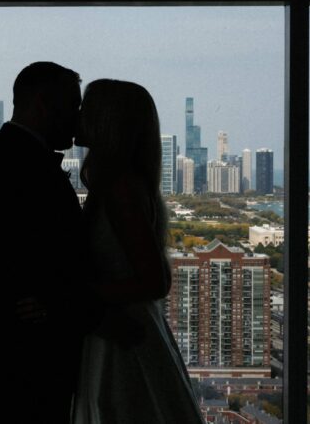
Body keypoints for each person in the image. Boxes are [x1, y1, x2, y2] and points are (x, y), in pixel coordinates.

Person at [0, 62, 95, 423]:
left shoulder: (11, 155)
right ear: (42, 104)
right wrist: (54, 304)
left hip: (20, 357)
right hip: (25, 358)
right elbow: (24, 257)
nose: (77, 118)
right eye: (72, 106)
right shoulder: (17, 162)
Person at [72, 79, 203, 424]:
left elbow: (154, 281)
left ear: (107, 121)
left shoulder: (120, 188)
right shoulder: (120, 184)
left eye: (88, 109)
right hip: (123, 330)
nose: (79, 115)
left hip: (122, 338)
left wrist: (77, 295)